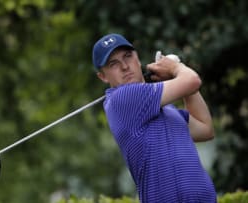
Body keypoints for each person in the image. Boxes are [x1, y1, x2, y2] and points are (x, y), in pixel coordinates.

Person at [92, 33, 217, 202]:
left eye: (128, 56)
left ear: (137, 58)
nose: (124, 66)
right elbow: (192, 81)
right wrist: (176, 67)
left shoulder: (166, 109)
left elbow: (205, 129)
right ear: (103, 76)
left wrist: (178, 78)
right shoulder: (121, 99)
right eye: (113, 64)